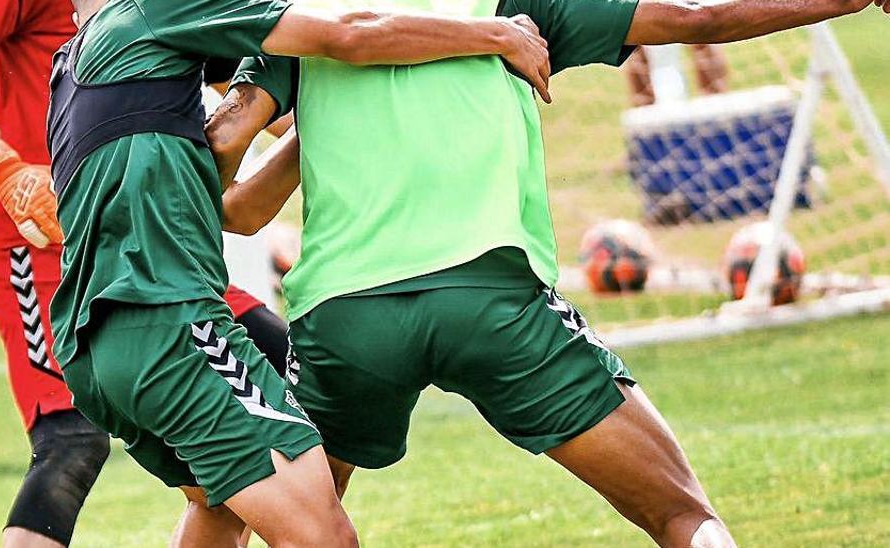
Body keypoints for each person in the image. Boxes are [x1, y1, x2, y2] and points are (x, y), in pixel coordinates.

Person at [206, 0, 889, 546]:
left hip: (344, 321)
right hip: (491, 301)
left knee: (272, 521)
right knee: (680, 513)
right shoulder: (515, 7)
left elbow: (233, 183)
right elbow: (695, 19)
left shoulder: (300, 21)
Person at [44, 0, 554, 545]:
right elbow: (351, 32)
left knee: (221, 511)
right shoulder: (153, 9)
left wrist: (322, 115)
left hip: (93, 348)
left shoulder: (69, 72)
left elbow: (239, 209)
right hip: (171, 326)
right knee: (323, 536)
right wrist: (498, 35)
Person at [0, 2, 292, 546]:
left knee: (288, 373)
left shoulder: (165, 7)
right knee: (72, 442)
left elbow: (250, 98)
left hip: (151, 250)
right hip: (38, 252)